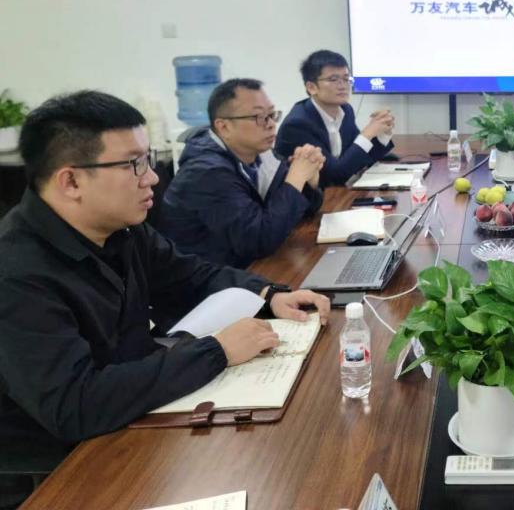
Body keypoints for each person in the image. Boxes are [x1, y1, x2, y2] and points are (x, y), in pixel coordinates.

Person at [0, 91, 331, 505]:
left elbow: (190, 275)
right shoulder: (17, 273)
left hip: (139, 409)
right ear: (71, 181)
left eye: (148, 159)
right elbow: (74, 405)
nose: (152, 178)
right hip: (68, 463)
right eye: (133, 164)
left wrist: (269, 294)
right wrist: (217, 351)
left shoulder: (122, 228)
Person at [159, 78, 324, 269]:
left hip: (244, 268)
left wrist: (309, 181)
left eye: (272, 115)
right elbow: (258, 241)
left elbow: (303, 211)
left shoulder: (260, 154)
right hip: (205, 278)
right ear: (224, 127)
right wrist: (296, 177)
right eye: (259, 117)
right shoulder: (206, 173)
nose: (271, 124)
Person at [276, 50, 394, 188]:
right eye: (333, 79)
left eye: (346, 79)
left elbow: (357, 158)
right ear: (312, 87)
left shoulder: (345, 110)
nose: (343, 86)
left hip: (337, 191)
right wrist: (367, 133)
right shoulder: (298, 124)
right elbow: (335, 175)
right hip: (310, 197)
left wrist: (382, 133)